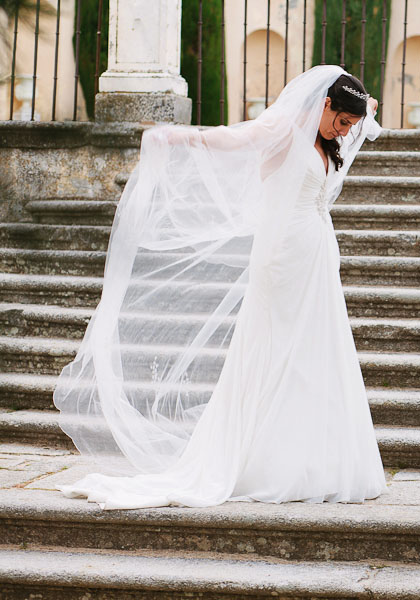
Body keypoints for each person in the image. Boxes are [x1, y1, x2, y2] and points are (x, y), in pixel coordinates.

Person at [54, 66, 387, 510]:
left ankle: (313, 461)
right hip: (283, 256)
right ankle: (268, 461)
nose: (345, 132)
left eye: (351, 126)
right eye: (341, 121)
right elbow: (236, 140)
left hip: (316, 257)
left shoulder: (328, 139)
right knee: (276, 350)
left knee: (315, 351)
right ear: (324, 104)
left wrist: (364, 111)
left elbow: (357, 130)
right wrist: (180, 137)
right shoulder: (284, 128)